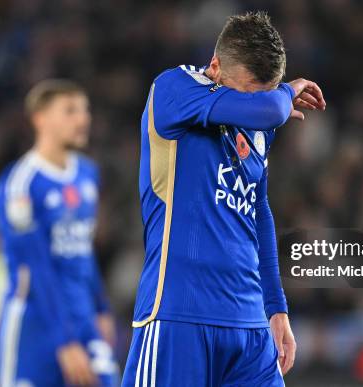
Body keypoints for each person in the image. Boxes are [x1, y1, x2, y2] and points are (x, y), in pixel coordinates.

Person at [122, 11, 326, 386]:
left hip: (249, 327)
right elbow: (272, 108)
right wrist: (284, 92)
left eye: (267, 92)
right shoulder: (173, 89)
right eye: (245, 94)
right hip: (178, 316)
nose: (251, 111)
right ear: (216, 67)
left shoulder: (260, 123)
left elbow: (258, 213)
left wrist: (276, 307)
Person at [0, 79, 118, 386]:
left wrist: (101, 307)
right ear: (40, 118)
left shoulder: (88, 174)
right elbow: (35, 268)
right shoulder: (20, 184)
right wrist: (64, 340)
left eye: (85, 110)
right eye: (70, 110)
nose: (83, 119)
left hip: (83, 316)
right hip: (35, 323)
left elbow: (83, 252)